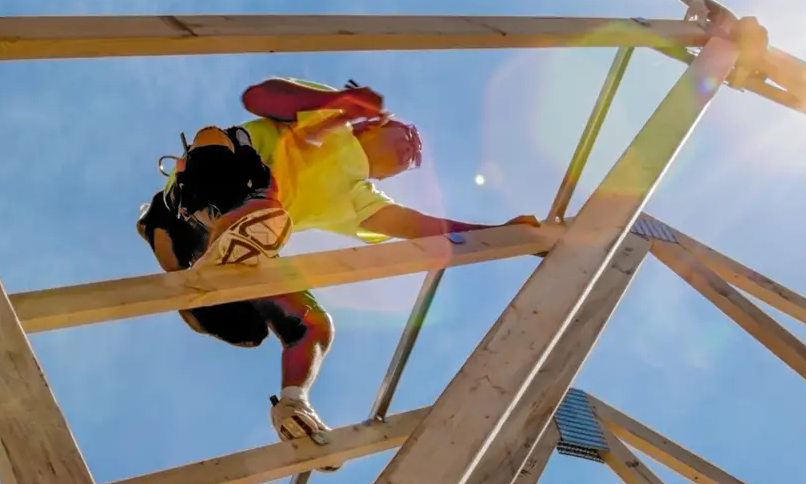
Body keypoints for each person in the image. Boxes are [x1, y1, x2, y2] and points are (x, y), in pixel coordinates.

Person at [135, 78, 538, 446]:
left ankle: (293, 404)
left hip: (241, 247)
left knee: (313, 324)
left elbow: (426, 228)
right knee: (241, 169)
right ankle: (184, 230)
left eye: (415, 156)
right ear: (375, 126)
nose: (413, 150)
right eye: (409, 135)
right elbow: (258, 97)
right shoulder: (328, 121)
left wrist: (499, 231)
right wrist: (341, 102)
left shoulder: (358, 198)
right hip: (201, 194)